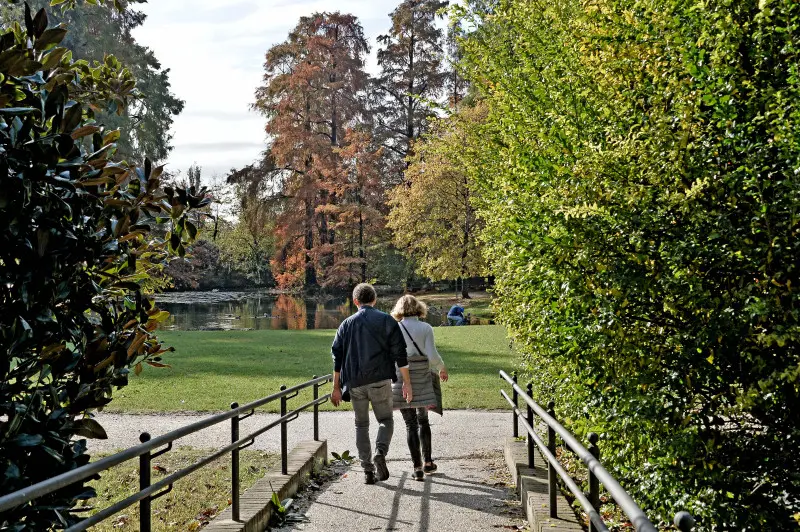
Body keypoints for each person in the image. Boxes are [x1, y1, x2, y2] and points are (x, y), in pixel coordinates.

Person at [331, 283, 412, 485]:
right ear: (374, 299)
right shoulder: (387, 320)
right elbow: (400, 354)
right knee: (386, 419)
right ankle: (380, 452)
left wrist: (336, 387)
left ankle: (367, 470)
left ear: (355, 301)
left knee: (361, 425)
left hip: (355, 382)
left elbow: (337, 357)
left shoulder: (346, 324)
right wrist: (407, 383)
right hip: (380, 380)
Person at [391, 295, 449, 481]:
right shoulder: (426, 328)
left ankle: (416, 467)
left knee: (410, 424)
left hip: (401, 376)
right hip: (422, 375)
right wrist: (441, 367)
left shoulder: (394, 328)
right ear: (419, 308)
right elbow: (431, 354)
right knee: (423, 420)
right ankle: (428, 461)